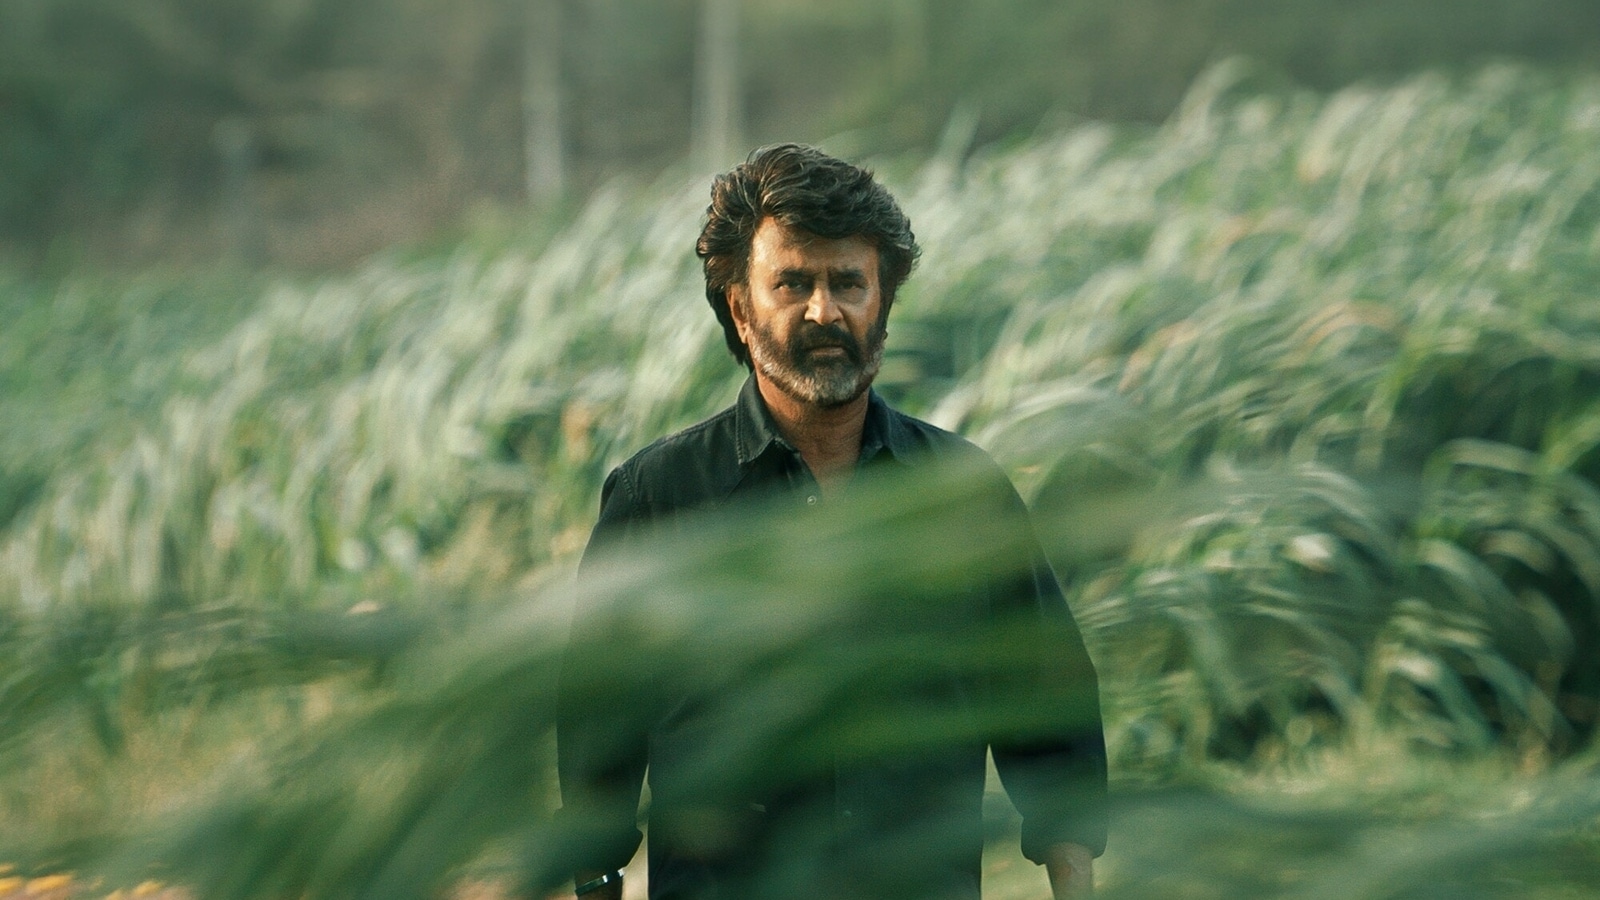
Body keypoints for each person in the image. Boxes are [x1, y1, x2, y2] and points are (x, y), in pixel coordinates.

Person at [554, 144, 1107, 900]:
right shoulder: (661, 498)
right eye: (793, 283)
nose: (824, 311)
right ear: (740, 308)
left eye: (848, 283)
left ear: (883, 303)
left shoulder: (961, 496)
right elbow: (599, 751)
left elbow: (1049, 715)